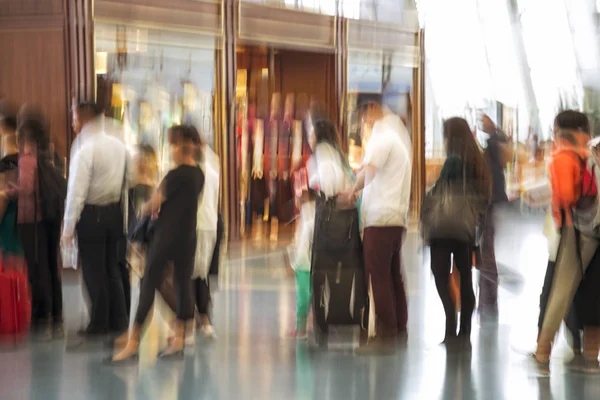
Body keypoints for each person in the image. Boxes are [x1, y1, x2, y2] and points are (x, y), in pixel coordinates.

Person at [112, 125, 204, 362]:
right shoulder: (198, 175)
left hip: (164, 237)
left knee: (148, 283)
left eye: (172, 144)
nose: (170, 149)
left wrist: (144, 210)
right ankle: (180, 337)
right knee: (183, 284)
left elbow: (151, 205)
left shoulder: (173, 176)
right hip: (187, 237)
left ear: (179, 146)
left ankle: (133, 342)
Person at [344, 102, 412, 353]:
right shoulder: (399, 134)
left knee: (377, 275)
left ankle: (386, 331)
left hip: (381, 217)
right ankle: (398, 325)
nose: (365, 123)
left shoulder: (384, 136)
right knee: (393, 274)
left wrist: (351, 192)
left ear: (372, 110)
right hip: (395, 218)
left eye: (365, 117)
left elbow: (368, 171)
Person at [535, 110, 600, 368]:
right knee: (591, 294)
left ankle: (542, 352)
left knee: (559, 290)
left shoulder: (565, 156)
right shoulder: (591, 154)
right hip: (592, 231)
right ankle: (591, 355)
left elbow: (563, 196)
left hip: (578, 232)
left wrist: (567, 224)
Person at [63, 102, 130, 336]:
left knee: (94, 270)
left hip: (92, 215)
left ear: (83, 118)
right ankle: (119, 319)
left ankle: (99, 323)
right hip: (114, 213)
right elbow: (126, 181)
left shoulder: (84, 147)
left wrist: (69, 226)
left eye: (73, 117)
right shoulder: (118, 143)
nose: (72, 123)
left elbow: (77, 190)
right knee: (113, 267)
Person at [426, 117, 491, 344]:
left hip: (444, 227)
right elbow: (483, 198)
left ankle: (450, 323)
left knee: (440, 272)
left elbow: (439, 190)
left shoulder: (453, 160)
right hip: (466, 228)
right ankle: (464, 331)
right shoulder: (477, 161)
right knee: (465, 276)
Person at [6, 114, 64, 339]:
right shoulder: (50, 155)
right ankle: (56, 313)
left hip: (32, 220)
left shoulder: (27, 158)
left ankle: (41, 317)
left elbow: (27, 189)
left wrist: (10, 191)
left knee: (36, 267)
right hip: (50, 217)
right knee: (51, 265)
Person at [478, 114, 511, 311]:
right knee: (487, 242)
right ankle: (488, 290)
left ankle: (489, 293)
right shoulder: (497, 140)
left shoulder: (493, 142)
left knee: (487, 243)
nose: (482, 125)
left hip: (490, 196)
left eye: (484, 122)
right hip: (493, 196)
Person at [190, 125, 219, 339]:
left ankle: (196, 320)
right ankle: (202, 319)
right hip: (208, 222)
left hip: (198, 223)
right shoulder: (212, 161)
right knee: (201, 274)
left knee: (193, 274)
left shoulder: (199, 165)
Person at [286, 187, 316, 339]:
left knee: (303, 298)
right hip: (308, 264)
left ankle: (301, 330)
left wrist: (294, 265)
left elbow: (303, 246)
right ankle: (301, 329)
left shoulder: (308, 219)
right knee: (305, 297)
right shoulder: (308, 218)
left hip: (304, 265)